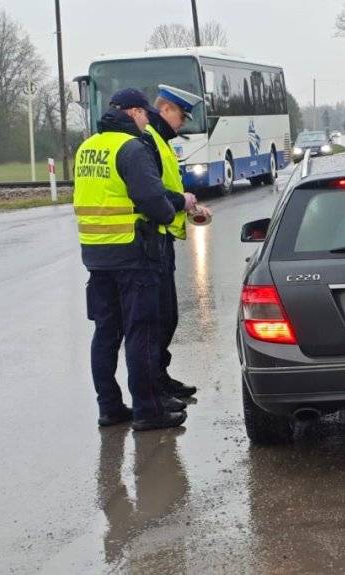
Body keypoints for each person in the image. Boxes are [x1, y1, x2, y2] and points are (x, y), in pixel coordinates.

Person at [74, 88, 187, 431]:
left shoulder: (87, 147)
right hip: (134, 255)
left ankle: (109, 407)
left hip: (96, 256)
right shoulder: (131, 148)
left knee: (106, 333)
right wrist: (173, 210)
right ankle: (148, 411)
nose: (147, 121)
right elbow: (153, 200)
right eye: (145, 115)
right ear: (135, 113)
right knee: (142, 333)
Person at [144, 84, 207, 399]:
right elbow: (151, 192)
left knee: (167, 315)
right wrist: (181, 201)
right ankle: (155, 386)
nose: (182, 123)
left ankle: (161, 377)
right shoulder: (151, 140)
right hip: (151, 239)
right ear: (166, 109)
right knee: (158, 317)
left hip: (163, 235)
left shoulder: (161, 140)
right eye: (181, 116)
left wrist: (189, 205)